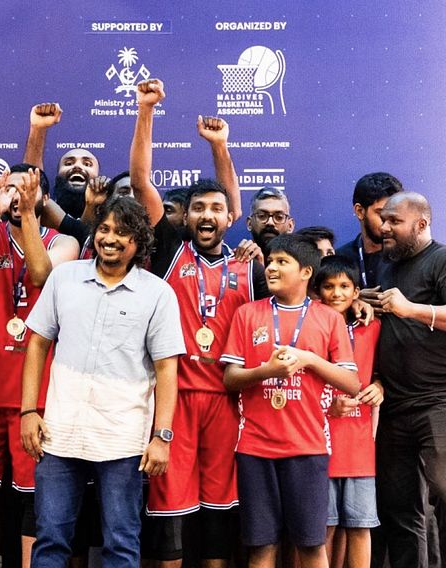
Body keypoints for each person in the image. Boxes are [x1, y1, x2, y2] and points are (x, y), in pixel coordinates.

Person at [128, 78, 263, 568]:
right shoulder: (168, 250)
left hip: (228, 402)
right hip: (175, 401)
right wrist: (146, 110)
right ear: (186, 217)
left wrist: (220, 147)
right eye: (199, 208)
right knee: (169, 514)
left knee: (218, 517)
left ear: (231, 217)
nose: (208, 215)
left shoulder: (252, 266)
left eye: (217, 209)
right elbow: (141, 182)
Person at [19, 195, 183, 566]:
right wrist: (28, 411)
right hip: (59, 434)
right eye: (104, 229)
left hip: (122, 440)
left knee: (121, 543)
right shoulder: (65, 277)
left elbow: (166, 370)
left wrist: (162, 436)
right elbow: (38, 344)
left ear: (139, 241)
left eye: (122, 232)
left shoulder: (158, 294)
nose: (110, 238)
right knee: (51, 539)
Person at [0, 166, 78, 568]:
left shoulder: (64, 242)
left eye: (29, 189)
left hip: (35, 394)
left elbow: (41, 274)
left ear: (44, 198)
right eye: (12, 189)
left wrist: (27, 217)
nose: (19, 196)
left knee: (31, 494)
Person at [221, 234, 360, 568]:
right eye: (270, 261)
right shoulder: (247, 314)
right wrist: (266, 371)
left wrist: (309, 360)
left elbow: (352, 383)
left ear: (306, 272)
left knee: (311, 545)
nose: (271, 267)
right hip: (255, 449)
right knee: (261, 547)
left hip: (308, 449)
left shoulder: (329, 318)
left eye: (282, 262)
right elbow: (230, 379)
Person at [360, 192, 446, 568]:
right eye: (384, 219)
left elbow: (408, 311)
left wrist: (410, 309)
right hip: (393, 406)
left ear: (421, 224)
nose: (384, 227)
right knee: (400, 509)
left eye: (395, 221)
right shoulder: (387, 265)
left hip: (438, 401)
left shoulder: (441, 259)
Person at [313, 255, 383, 568]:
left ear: (356, 292)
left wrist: (380, 386)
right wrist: (328, 406)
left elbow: (384, 370)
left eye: (344, 286)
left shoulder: (372, 327)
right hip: (318, 443)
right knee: (322, 528)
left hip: (359, 446)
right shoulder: (310, 328)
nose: (337, 293)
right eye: (329, 286)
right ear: (317, 291)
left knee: (360, 525)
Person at [335, 173, 404, 289]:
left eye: (394, 215)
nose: (388, 224)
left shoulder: (409, 255)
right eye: (382, 214)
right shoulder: (340, 259)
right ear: (360, 211)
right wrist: (354, 298)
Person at [246, 187, 294, 259]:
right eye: (262, 216)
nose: (270, 222)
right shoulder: (234, 263)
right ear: (249, 223)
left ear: (290, 226)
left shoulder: (302, 263)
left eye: (279, 217)